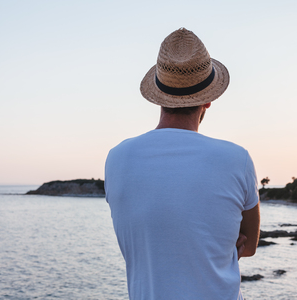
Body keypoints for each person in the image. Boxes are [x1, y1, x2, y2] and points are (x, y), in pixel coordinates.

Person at [105, 28, 260, 300]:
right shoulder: (237, 159)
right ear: (209, 100)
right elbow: (249, 244)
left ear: (158, 96)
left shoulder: (117, 158)